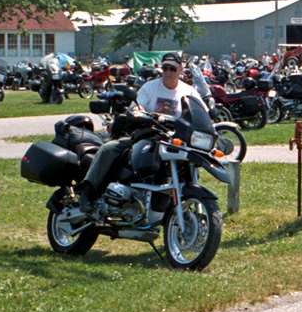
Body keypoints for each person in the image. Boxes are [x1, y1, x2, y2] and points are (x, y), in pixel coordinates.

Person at [77, 53, 208, 209]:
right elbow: (135, 108)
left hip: (177, 141)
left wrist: (210, 118)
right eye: (165, 68)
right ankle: (87, 194)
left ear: (180, 70)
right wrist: (138, 112)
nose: (168, 72)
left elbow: (203, 113)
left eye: (172, 69)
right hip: (148, 136)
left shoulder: (189, 92)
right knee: (108, 149)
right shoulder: (150, 87)